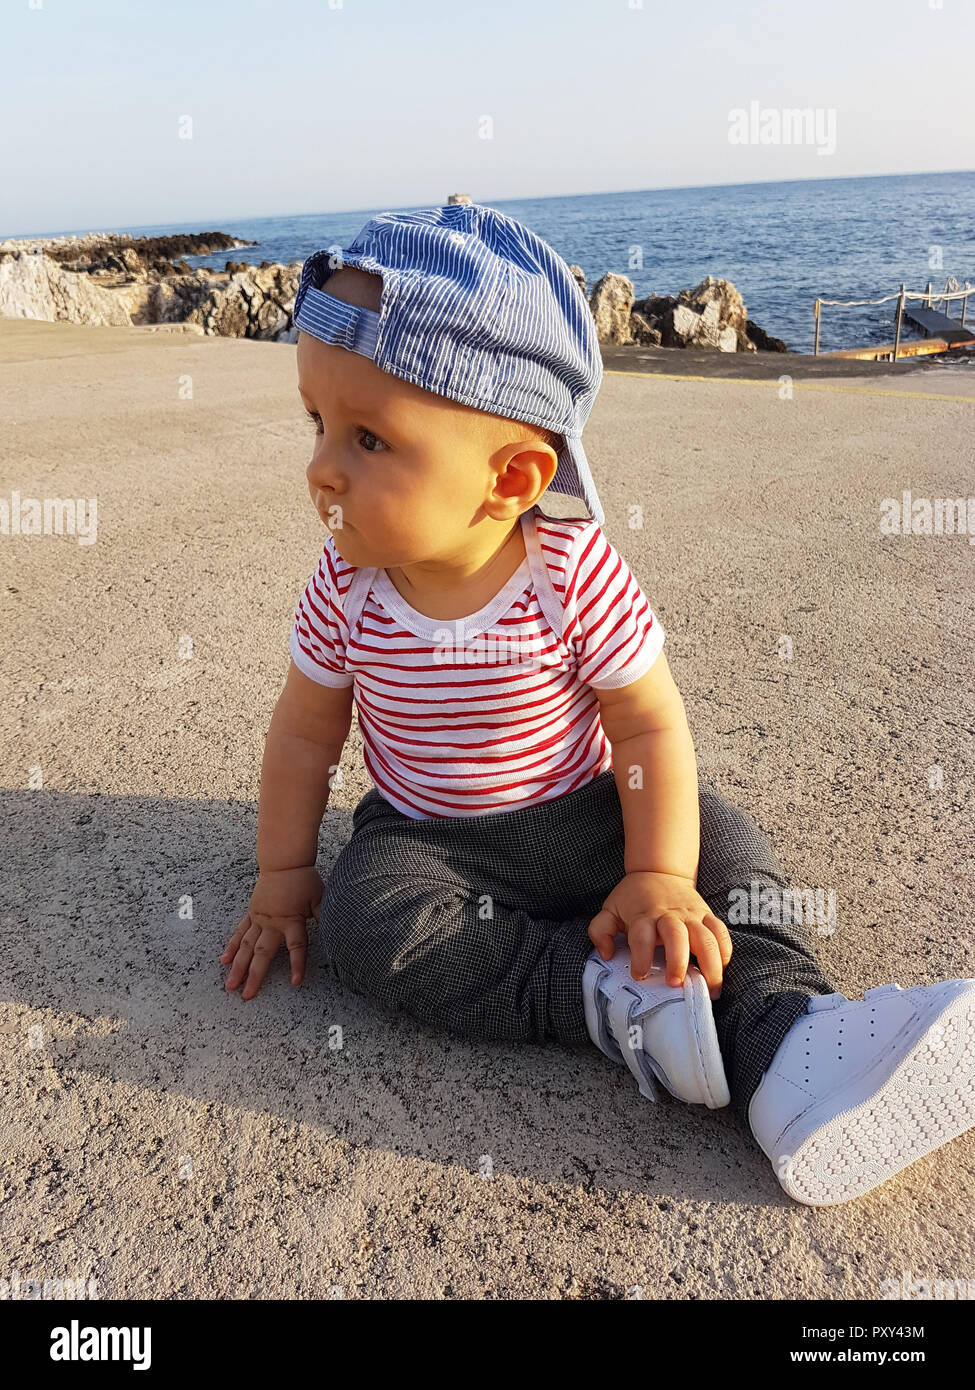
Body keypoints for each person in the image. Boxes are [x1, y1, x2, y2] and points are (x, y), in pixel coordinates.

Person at [221, 203, 975, 1207]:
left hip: (582, 815)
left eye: (368, 438)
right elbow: (305, 732)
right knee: (369, 922)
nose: (321, 467)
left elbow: (648, 725)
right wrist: (283, 874)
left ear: (514, 476)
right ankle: (601, 994)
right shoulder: (344, 583)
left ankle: (788, 1039)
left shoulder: (567, 570)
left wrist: (659, 871)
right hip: (426, 836)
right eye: (317, 424)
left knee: (721, 840)